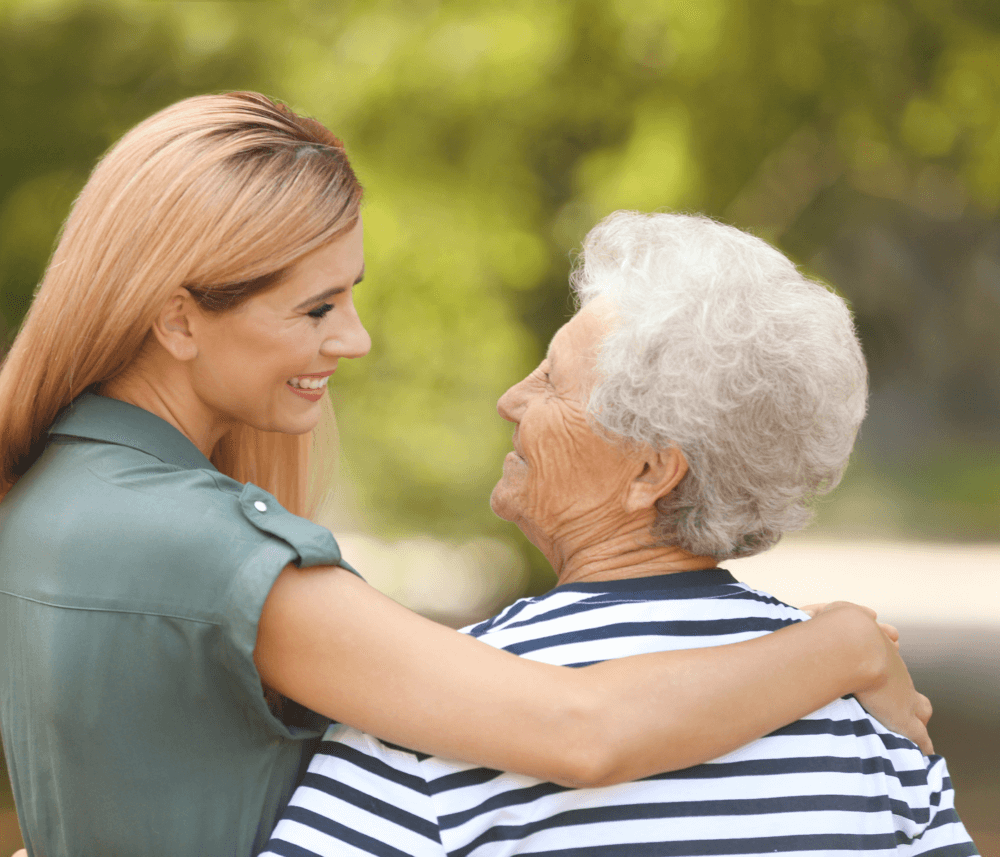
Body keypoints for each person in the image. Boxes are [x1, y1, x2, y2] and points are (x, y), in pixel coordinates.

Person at [0, 94, 930, 857]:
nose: (354, 339)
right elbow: (581, 728)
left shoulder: (55, 496)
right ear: (178, 320)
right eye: (316, 306)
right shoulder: (200, 548)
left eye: (351, 295)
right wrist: (839, 643)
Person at [264, 212, 976, 856]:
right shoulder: (869, 723)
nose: (510, 399)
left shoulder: (440, 716)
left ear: (649, 471)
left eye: (549, 381)